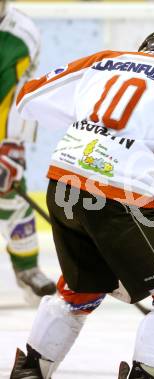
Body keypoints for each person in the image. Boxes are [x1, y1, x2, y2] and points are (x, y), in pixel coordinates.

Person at [10, 31, 154, 379]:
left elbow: (27, 96)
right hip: (121, 195)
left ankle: (29, 371)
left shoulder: (103, 60)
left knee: (83, 286)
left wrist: (87, 130)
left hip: (62, 182)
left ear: (142, 52)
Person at [0, 0, 56, 304]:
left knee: (11, 195)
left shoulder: (23, 34)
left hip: (2, 130)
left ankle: (27, 268)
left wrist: (13, 145)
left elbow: (20, 93)